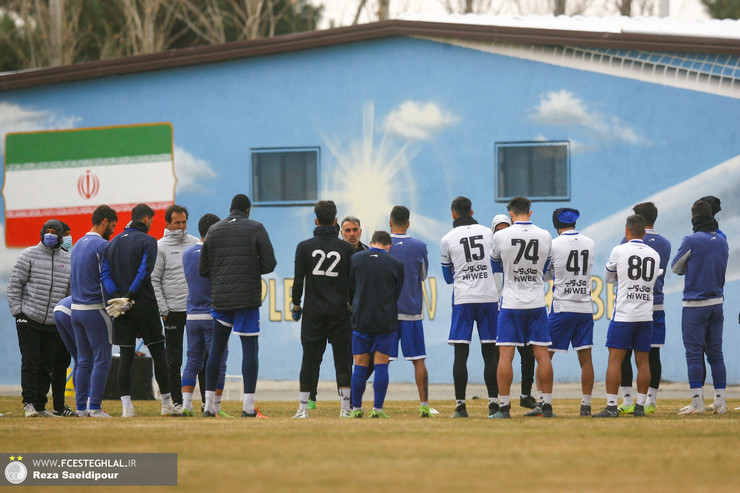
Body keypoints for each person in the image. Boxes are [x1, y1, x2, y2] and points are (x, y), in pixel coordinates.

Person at [199, 194, 276, 418]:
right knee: (249, 349)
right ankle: (248, 407)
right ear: (248, 210)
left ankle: (209, 407)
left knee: (216, 350)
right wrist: (249, 270)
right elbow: (270, 263)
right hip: (247, 299)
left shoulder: (213, 230)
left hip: (221, 299)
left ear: (230, 209)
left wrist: (223, 275)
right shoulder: (256, 227)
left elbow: (203, 270)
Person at [101, 204, 175, 417]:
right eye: (151, 221)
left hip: (120, 307)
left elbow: (104, 273)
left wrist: (118, 297)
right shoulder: (149, 241)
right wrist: (130, 295)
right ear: (146, 220)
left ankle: (127, 408)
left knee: (125, 355)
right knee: (159, 353)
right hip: (143, 303)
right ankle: (166, 405)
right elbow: (145, 271)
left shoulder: (112, 243)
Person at [491, 196, 554, 419]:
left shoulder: (500, 236)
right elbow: (546, 266)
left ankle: (504, 407)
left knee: (505, 356)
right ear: (530, 212)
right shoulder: (545, 235)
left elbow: (495, 264)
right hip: (536, 302)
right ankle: (546, 405)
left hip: (511, 303)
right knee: (542, 355)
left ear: (510, 213)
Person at [290, 200, 355, 419]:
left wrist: (296, 305)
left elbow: (298, 281)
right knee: (342, 359)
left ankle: (302, 408)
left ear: (316, 220)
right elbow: (353, 283)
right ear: (336, 221)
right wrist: (351, 305)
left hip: (313, 312)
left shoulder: (304, 246)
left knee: (309, 358)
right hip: (339, 312)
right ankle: (346, 409)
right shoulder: (347, 248)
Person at [593, 214, 660, 418]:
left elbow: (608, 277)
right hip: (645, 314)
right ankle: (640, 406)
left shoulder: (619, 250)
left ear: (627, 231)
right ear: (644, 232)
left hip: (623, 314)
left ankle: (612, 406)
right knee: (644, 361)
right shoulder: (654, 254)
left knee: (615, 360)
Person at [440, 196, 500, 418]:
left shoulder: (447, 239)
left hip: (463, 298)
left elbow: (447, 277)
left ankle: (460, 407)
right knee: (490, 353)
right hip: (488, 297)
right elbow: (496, 265)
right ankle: (494, 405)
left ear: (453, 213)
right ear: (472, 213)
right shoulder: (490, 233)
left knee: (461, 352)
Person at [8, 219, 71, 418]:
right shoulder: (29, 254)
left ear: (61, 237)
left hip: (53, 322)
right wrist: (17, 312)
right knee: (30, 361)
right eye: (47, 231)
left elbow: (69, 291)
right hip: (29, 317)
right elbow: (15, 285)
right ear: (42, 233)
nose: (50, 235)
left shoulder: (68, 260)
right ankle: (28, 404)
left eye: (54, 232)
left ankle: (40, 406)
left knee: (46, 364)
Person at [671, 200, 729, 415]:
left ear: (694, 219)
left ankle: (697, 403)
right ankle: (721, 403)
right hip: (717, 303)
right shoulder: (722, 240)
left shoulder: (691, 240)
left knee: (694, 354)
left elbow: (676, 267)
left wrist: (691, 266)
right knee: (716, 354)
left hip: (695, 305)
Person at [618, 202, 671, 415]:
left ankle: (628, 399)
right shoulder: (665, 244)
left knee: (625, 353)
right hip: (655, 303)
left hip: (631, 303)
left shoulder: (626, 241)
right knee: (653, 354)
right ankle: (650, 401)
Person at [544, 208, 595, 417]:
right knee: (586, 359)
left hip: (562, 306)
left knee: (545, 356)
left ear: (557, 226)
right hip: (584, 307)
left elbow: (546, 274)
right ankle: (586, 405)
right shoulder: (590, 242)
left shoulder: (553, 245)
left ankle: (544, 403)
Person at [348, 231, 404, 418]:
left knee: (360, 366)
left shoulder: (355, 259)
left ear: (371, 242)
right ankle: (377, 410)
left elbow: (351, 289)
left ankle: (356, 409)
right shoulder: (396, 264)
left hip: (361, 319)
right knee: (381, 366)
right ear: (389, 245)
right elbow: (397, 292)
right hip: (385, 321)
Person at [70, 205, 118, 417]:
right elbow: (104, 280)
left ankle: (81, 408)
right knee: (102, 359)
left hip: (76, 309)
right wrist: (114, 305)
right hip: (95, 310)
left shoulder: (78, 244)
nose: (113, 231)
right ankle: (95, 408)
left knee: (83, 360)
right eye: (113, 226)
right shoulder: (103, 246)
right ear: (105, 221)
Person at [151, 204, 200, 413]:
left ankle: (205, 402)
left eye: (184, 222)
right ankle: (177, 402)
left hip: (196, 310)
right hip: (172, 312)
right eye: (177, 223)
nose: (181, 226)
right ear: (168, 224)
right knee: (174, 358)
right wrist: (163, 310)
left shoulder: (196, 243)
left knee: (200, 355)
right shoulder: (159, 246)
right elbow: (154, 279)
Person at [181, 213, 230, 417]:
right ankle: (215, 406)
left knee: (192, 360)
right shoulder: (217, 253)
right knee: (219, 360)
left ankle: (186, 405)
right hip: (213, 314)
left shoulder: (186, 253)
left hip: (192, 314)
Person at [388, 205, 434, 418]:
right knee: (418, 359)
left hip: (386, 312)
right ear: (408, 223)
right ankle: (424, 404)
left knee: (381, 360)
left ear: (390, 222)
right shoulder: (419, 246)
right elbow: (423, 275)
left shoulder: (382, 244)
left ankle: (376, 406)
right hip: (411, 310)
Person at [492, 214, 537, 410]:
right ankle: (498, 399)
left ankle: (525, 394)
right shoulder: (491, 253)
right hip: (499, 309)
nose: (501, 233)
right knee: (500, 356)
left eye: (505, 229)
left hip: (519, 307)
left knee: (528, 354)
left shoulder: (518, 254)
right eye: (498, 230)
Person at [49, 220, 74, 416]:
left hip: (64, 319)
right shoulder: (40, 256)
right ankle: (35, 404)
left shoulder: (72, 259)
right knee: (41, 364)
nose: (68, 238)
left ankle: (58, 406)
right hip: (44, 320)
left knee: (61, 364)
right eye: (66, 234)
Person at [52, 297, 77, 416]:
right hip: (69, 311)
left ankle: (59, 407)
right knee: (84, 360)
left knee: (63, 363)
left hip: (60, 311)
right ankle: (89, 406)